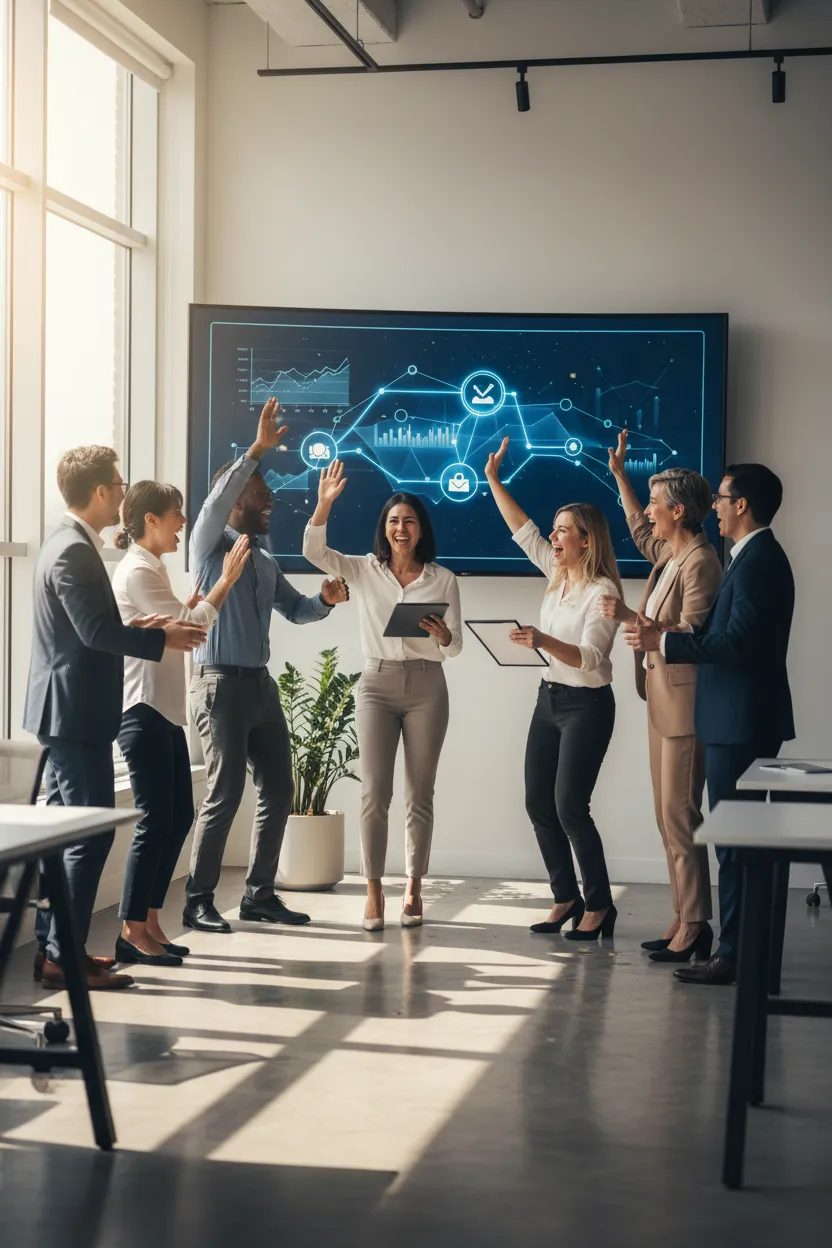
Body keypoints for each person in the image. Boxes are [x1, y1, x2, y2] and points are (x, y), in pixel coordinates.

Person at [23, 446, 206, 991]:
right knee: (89, 835)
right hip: (73, 712)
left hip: (72, 710)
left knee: (65, 834)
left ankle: (54, 952)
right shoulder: (72, 551)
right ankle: (64, 957)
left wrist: (143, 629)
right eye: (120, 486)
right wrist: (161, 637)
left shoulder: (72, 545)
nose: (123, 495)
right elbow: (95, 634)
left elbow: (91, 628)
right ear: (101, 491)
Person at [624, 463, 794, 986]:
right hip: (731, 718)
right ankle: (733, 950)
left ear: (741, 504)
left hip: (740, 720)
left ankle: (733, 954)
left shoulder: (758, 560)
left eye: (721, 498)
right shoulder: (748, 557)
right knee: (731, 842)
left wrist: (663, 640)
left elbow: (737, 643)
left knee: (734, 844)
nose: (714, 506)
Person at [184, 399, 350, 934]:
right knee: (224, 794)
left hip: (259, 688)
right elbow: (215, 501)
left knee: (279, 790)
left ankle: (259, 894)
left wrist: (325, 601)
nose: (270, 498)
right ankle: (197, 900)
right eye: (260, 492)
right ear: (235, 501)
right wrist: (256, 450)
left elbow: (297, 610)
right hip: (219, 687)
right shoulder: (208, 547)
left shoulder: (265, 560)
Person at [304, 460, 462, 931]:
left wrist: (442, 635)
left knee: (420, 793)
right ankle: (373, 890)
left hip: (428, 685)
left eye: (409, 521)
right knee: (374, 792)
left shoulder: (443, 578)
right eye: (394, 521)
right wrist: (324, 503)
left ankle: (413, 886)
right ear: (384, 529)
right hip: (376, 684)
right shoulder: (363, 570)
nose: (401, 528)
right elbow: (313, 550)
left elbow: (455, 647)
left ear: (420, 530)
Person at [484, 437, 622, 940]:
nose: (553, 536)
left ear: (586, 540)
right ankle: (566, 896)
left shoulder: (602, 591)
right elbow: (522, 529)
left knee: (570, 808)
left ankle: (600, 905)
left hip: (587, 704)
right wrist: (494, 479)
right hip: (549, 700)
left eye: (563, 530)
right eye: (555, 529)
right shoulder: (557, 573)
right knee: (537, 803)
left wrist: (542, 640)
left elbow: (591, 658)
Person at [112, 481, 251, 967]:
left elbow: (184, 623)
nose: (183, 523)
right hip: (144, 710)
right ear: (150, 519)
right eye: (176, 512)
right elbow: (193, 629)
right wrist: (225, 581)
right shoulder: (137, 571)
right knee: (156, 823)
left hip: (165, 712)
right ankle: (132, 931)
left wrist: (189, 611)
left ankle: (149, 923)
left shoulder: (153, 569)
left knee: (176, 820)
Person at [601, 432, 722, 962]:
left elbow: (693, 634)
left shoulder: (700, 562)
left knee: (680, 815)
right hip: (660, 699)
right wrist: (620, 477)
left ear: (678, 511)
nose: (648, 512)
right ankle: (681, 913)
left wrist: (635, 621)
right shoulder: (671, 553)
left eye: (655, 503)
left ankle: (695, 924)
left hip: (684, 706)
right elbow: (637, 528)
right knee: (665, 815)